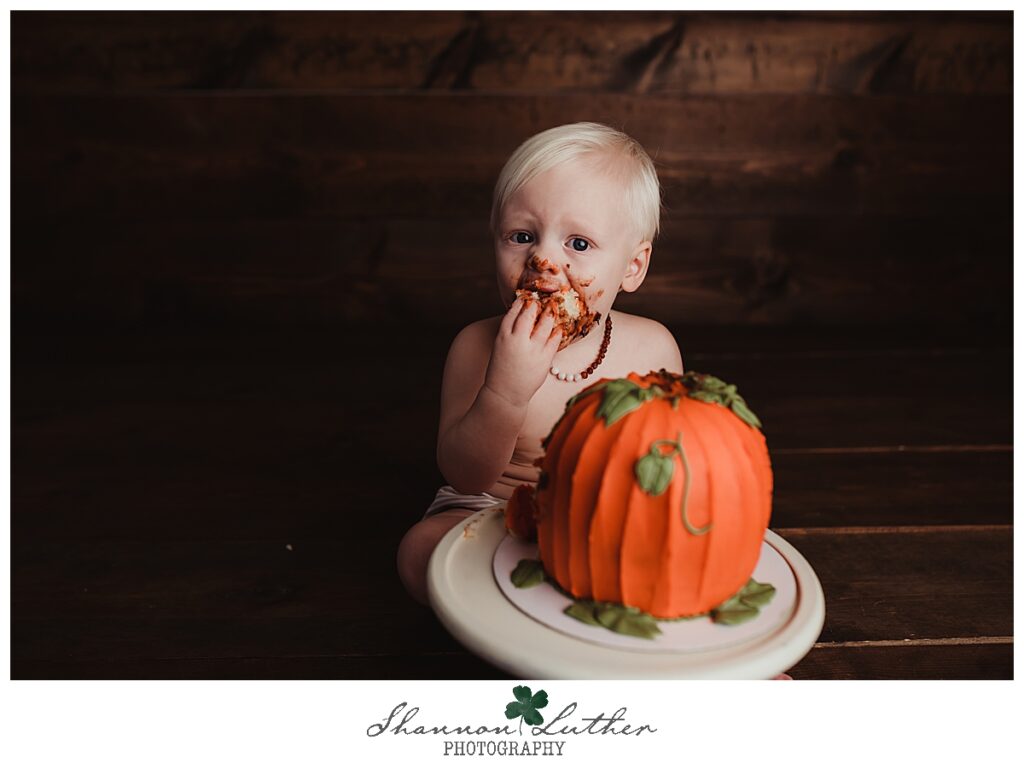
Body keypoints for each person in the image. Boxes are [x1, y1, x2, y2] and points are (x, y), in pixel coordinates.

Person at [397, 121, 684, 604]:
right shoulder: (475, 346)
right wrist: (504, 391)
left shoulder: (653, 349)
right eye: (522, 236)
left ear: (632, 267)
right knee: (420, 550)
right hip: (490, 512)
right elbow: (466, 475)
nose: (543, 259)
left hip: (601, 518)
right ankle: (543, 602)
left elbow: (667, 463)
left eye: (578, 244)